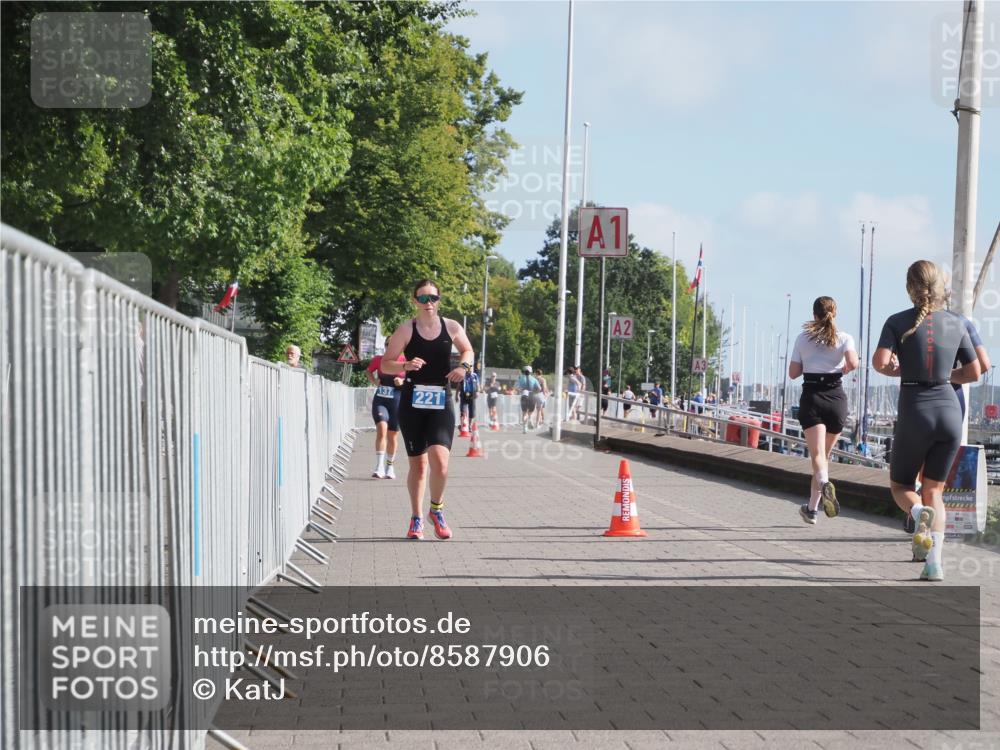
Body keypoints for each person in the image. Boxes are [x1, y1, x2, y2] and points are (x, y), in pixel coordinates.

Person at [872, 260, 981, 581]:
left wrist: (902, 369)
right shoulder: (956, 323)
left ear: (910, 287)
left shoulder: (896, 322)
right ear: (939, 287)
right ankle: (935, 564)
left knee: (902, 485)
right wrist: (945, 376)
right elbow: (975, 371)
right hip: (950, 410)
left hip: (915, 409)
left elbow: (880, 363)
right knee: (935, 489)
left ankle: (917, 513)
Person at [381, 280, 475, 541]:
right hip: (412, 401)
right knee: (419, 466)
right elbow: (386, 364)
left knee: (441, 462)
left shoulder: (452, 326)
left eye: (433, 298)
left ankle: (437, 509)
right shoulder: (405, 330)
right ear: (415, 302)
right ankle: (416, 518)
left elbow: (468, 350)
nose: (428, 303)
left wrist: (463, 368)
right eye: (423, 299)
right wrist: (405, 365)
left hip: (440, 398)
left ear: (439, 300)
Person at [787, 297, 859, 525]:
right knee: (823, 459)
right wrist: (842, 369)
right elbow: (854, 363)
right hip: (836, 399)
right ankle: (811, 509)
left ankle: (825, 485)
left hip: (813, 398)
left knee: (817, 457)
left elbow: (793, 373)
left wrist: (811, 361)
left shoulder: (802, 338)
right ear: (834, 313)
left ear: (814, 314)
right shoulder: (845, 338)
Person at [366, 338, 406, 479]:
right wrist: (375, 381)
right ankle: (379, 467)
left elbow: (413, 380)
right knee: (381, 430)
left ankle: (390, 467)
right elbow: (368, 371)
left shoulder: (405, 361)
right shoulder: (378, 360)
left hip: (397, 401)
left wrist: (403, 382)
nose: (390, 347)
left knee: (392, 436)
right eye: (387, 344)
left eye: (393, 344)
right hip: (381, 400)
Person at [516, 365, 540, 432]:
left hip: (524, 394)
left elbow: (516, 387)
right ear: (531, 372)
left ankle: (524, 427)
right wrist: (535, 392)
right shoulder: (534, 379)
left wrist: (520, 390)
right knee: (531, 411)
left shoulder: (521, 378)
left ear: (524, 371)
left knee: (524, 412)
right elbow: (539, 388)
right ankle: (529, 418)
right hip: (532, 394)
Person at [458, 364, 480, 432]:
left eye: (469, 368)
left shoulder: (474, 375)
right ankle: (462, 425)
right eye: (466, 368)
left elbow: (478, 384)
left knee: (472, 411)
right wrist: (456, 395)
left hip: (472, 394)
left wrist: (478, 391)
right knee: (463, 410)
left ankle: (470, 426)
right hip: (463, 394)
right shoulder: (462, 376)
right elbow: (458, 385)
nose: (468, 370)